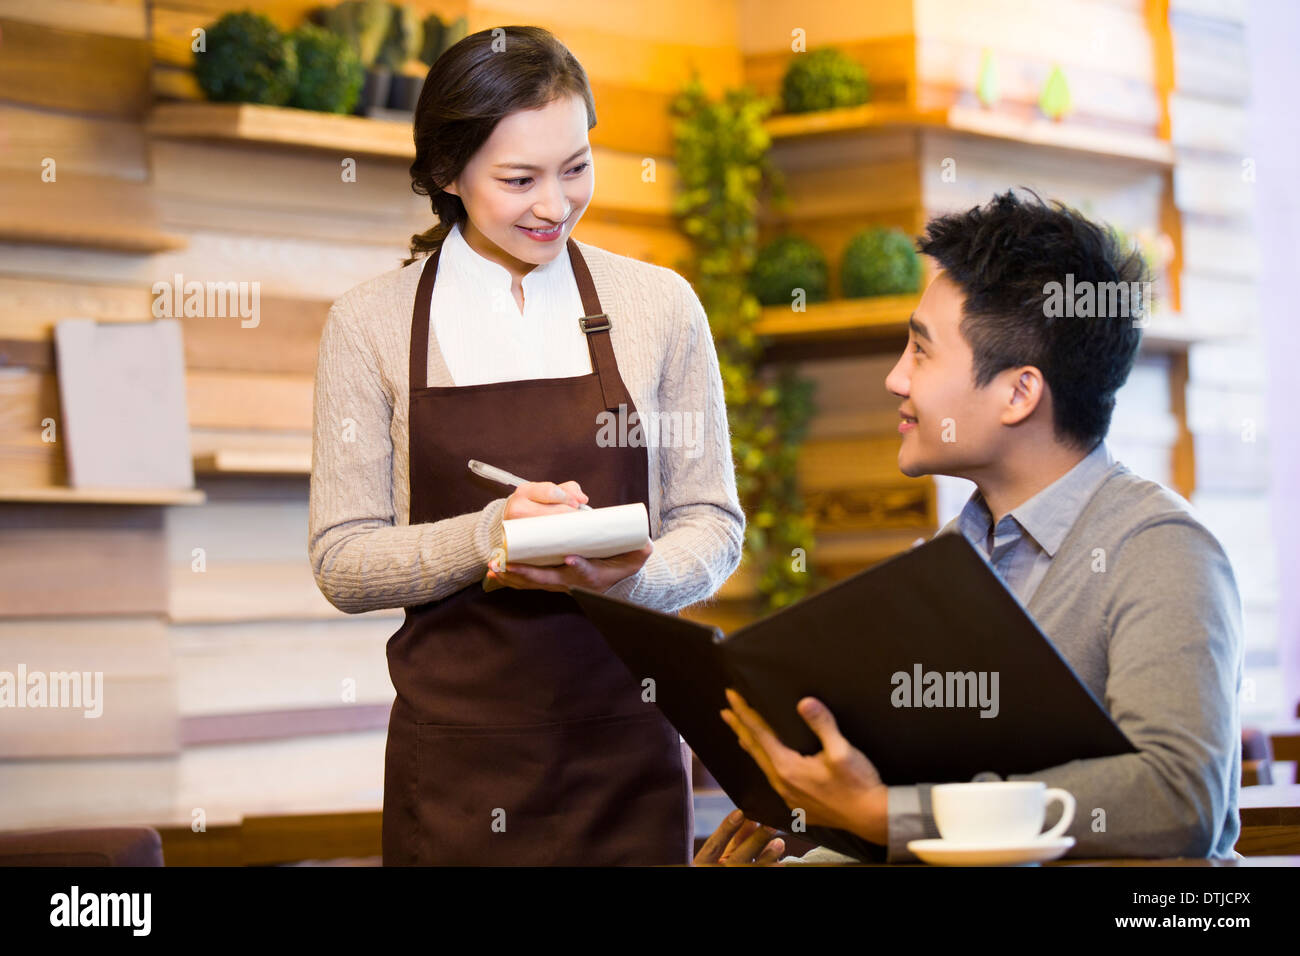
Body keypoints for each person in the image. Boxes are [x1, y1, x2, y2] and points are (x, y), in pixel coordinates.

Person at [697, 189, 1243, 865]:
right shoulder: (950, 557)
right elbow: (903, 798)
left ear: (1019, 393)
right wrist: (808, 841)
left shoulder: (1161, 550)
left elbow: (1176, 799)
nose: (896, 378)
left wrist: (891, 814)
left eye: (921, 353)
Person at [309, 25, 744, 865]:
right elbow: (342, 560)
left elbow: (713, 523)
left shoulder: (661, 306)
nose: (555, 204)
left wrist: (626, 574)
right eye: (519, 179)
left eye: (576, 166)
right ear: (447, 173)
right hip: (459, 770)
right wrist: (487, 538)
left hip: (630, 753)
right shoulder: (370, 324)